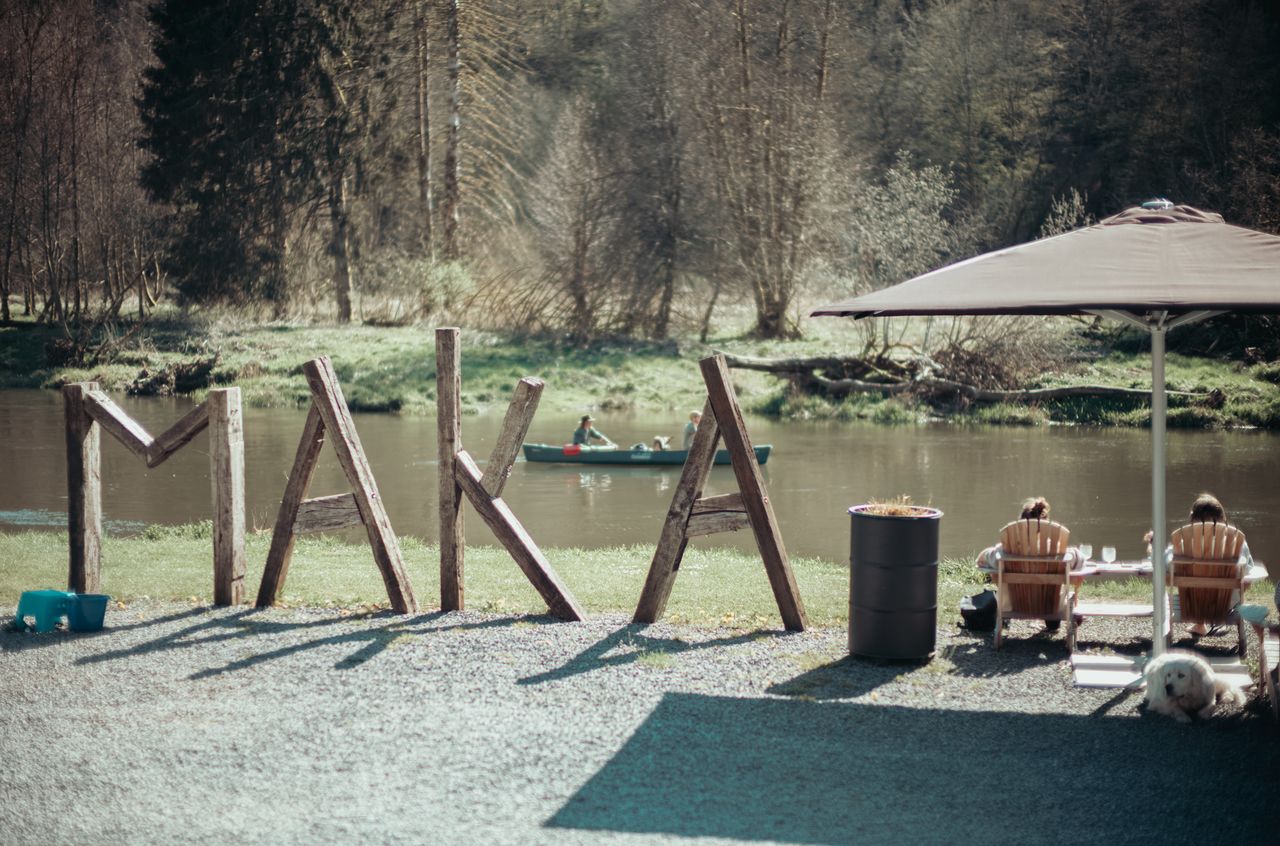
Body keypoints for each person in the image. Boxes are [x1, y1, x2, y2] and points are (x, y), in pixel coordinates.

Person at [1149, 492, 1254, 637]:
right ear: (1223, 519)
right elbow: (1248, 570)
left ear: (1192, 519)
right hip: (1225, 605)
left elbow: (1163, 566)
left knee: (1192, 587)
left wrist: (1154, 550)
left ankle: (1199, 624)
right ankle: (1202, 625)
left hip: (1192, 606)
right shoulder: (1238, 542)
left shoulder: (1183, 545)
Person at [975, 496, 1080, 632]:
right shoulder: (1057, 550)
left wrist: (985, 555)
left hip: (1015, 604)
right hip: (1051, 606)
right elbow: (1079, 558)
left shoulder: (1006, 550)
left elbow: (983, 558)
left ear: (1020, 525)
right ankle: (1052, 622)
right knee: (1053, 591)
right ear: (1046, 525)